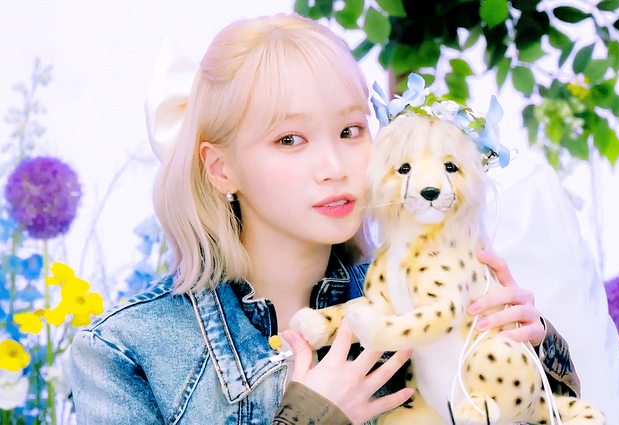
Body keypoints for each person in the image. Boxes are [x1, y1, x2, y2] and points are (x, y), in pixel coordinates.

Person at [67, 13, 580, 424]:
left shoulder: (413, 295)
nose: (334, 167)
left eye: (351, 131)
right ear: (221, 169)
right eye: (290, 139)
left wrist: (537, 350)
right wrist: (310, 416)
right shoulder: (125, 351)